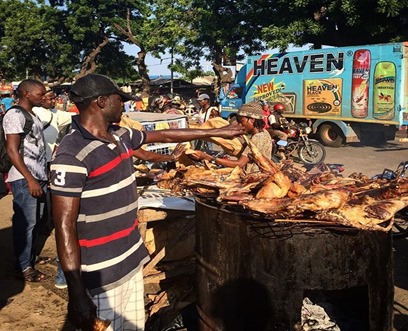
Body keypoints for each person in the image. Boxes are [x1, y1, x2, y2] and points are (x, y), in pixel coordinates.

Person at [49, 74, 245, 331]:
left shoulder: (119, 135)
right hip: (100, 272)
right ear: (101, 101)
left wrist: (215, 132)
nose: (125, 106)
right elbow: (64, 225)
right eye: (120, 100)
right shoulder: (71, 153)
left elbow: (165, 135)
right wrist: (76, 292)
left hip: (129, 258)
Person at [2, 79, 50, 282]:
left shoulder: (32, 115)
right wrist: (30, 180)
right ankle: (23, 268)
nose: (44, 96)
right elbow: (12, 150)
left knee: (36, 221)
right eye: (40, 94)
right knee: (26, 224)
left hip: (38, 176)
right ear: (26, 94)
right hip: (24, 178)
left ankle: (28, 258)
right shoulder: (14, 115)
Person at [32, 88, 74, 289]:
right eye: (49, 98)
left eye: (54, 97)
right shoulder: (36, 114)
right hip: (34, 169)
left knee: (48, 210)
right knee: (36, 216)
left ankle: (31, 255)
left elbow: (76, 115)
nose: (54, 100)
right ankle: (26, 262)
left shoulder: (57, 114)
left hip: (49, 166)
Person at [189, 101, 273, 173]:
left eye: (242, 121)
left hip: (255, 178)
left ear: (252, 120)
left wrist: (209, 158)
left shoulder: (257, 138)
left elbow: (240, 164)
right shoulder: (265, 133)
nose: (240, 124)